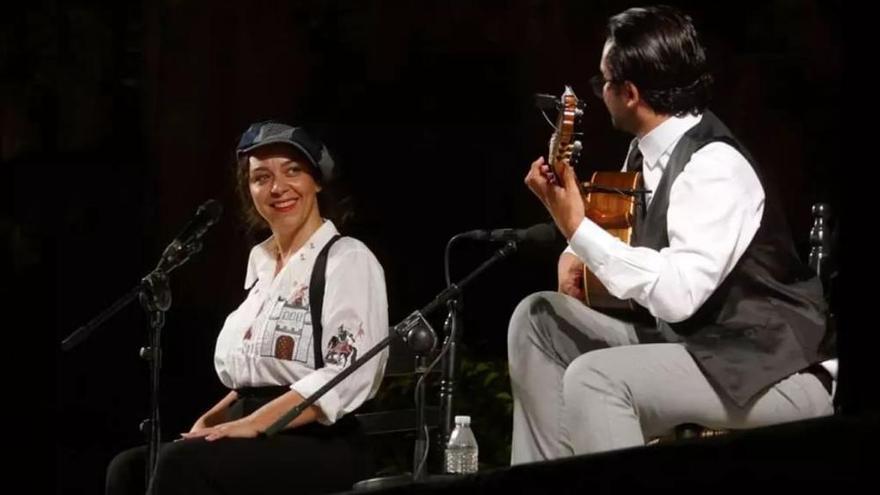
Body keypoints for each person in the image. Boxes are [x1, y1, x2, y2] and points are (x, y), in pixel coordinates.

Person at [508, 5, 835, 464]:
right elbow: (618, 246)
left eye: (603, 82)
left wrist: (577, 229)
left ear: (630, 94)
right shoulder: (641, 156)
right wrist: (573, 248)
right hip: (693, 349)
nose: (598, 93)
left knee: (595, 378)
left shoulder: (713, 167)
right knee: (537, 319)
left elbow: (678, 294)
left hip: (765, 368)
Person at [106, 121, 389, 494]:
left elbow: (345, 373)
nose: (277, 187)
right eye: (261, 177)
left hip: (320, 438)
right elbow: (259, 375)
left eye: (293, 171)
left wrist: (255, 423)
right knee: (130, 467)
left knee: (179, 465)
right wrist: (211, 421)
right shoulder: (263, 267)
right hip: (263, 432)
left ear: (317, 181)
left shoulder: (346, 259)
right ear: (250, 191)